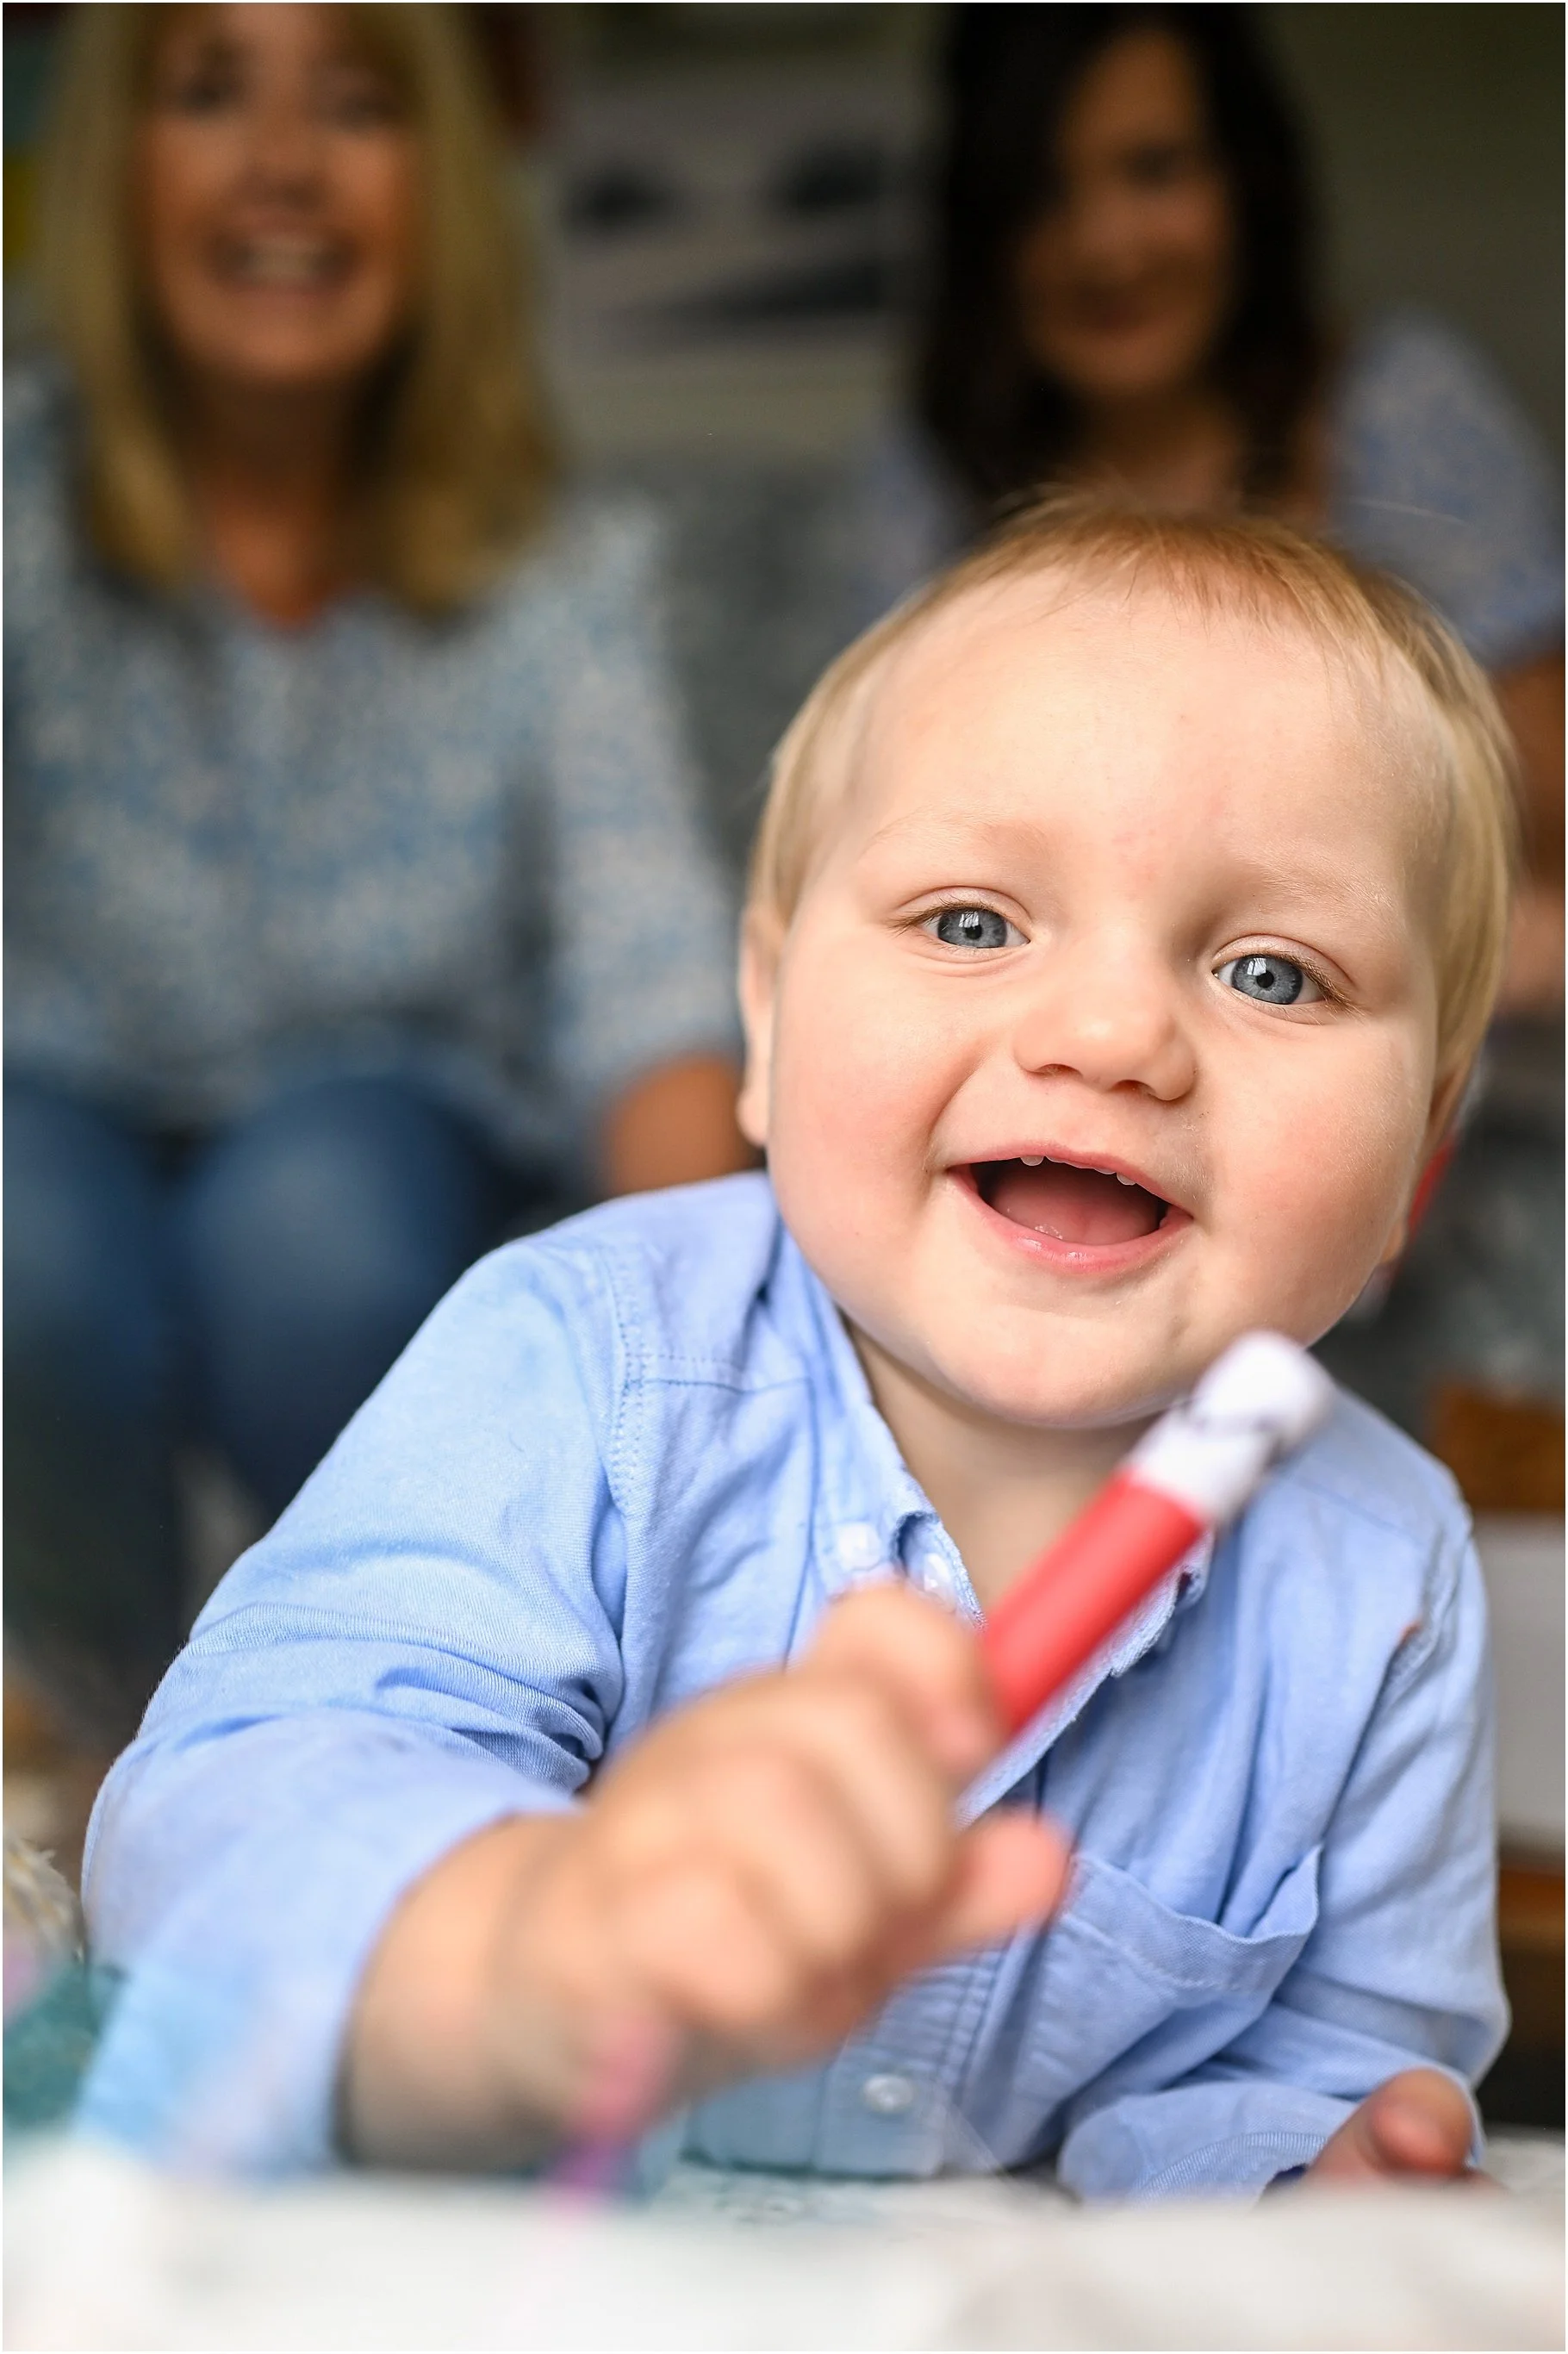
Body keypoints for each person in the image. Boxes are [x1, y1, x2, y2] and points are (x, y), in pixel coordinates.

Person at [80, 500, 1509, 2195]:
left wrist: (1313, 2161)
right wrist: (528, 1940)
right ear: (762, 1023)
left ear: (1412, 1170)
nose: (1115, 1034)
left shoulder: (1387, 1572)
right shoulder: (584, 1355)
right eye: (973, 922)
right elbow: (234, 1796)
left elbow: (1324, 2053)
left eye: (1270, 969)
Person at [5, 3, 749, 1736]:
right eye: (207, 91)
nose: (280, 160)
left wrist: (717, 1417)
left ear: (446, 187)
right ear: (117, 168)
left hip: (383, 1152)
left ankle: (370, 1704)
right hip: (48, 1117)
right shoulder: (19, 504)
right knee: (16, 1230)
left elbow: (653, 993)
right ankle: (112, 1720)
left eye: (356, 103)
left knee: (311, 1219)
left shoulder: (560, 571)